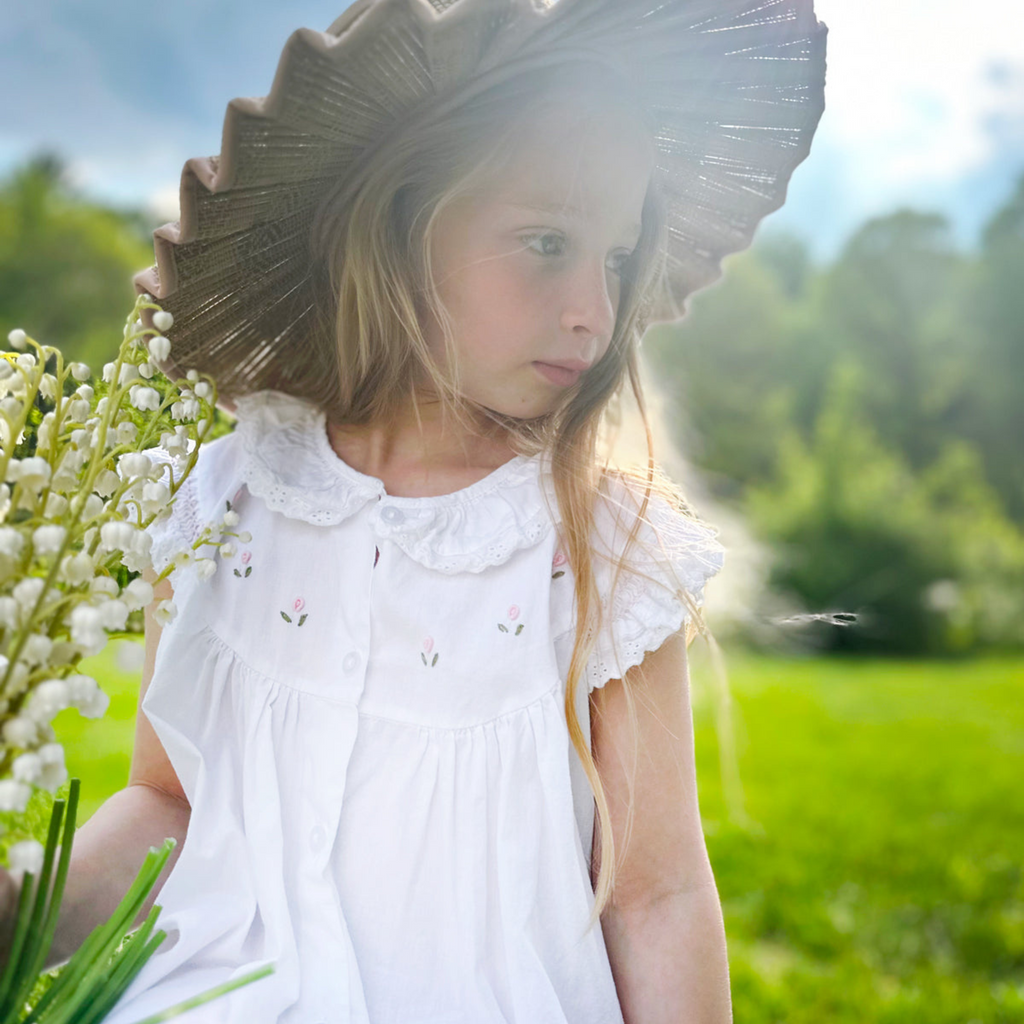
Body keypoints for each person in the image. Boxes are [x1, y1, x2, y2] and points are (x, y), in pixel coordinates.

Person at [0, 1, 827, 1020]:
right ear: (395, 229)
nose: (594, 311)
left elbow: (653, 895)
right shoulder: (223, 497)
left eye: (613, 259)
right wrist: (19, 919)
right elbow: (168, 801)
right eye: (546, 241)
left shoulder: (594, 548)